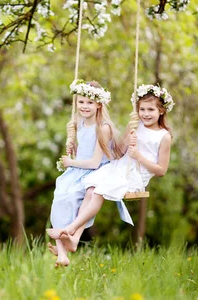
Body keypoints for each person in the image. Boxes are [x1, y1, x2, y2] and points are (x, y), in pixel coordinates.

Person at [53, 84, 174, 251]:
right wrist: (128, 133)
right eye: (142, 109)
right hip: (119, 166)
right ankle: (74, 240)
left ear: (161, 111)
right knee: (89, 188)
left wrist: (138, 156)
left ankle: (71, 228)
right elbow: (119, 151)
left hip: (136, 173)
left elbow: (161, 170)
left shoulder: (164, 136)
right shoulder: (134, 126)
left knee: (97, 192)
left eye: (150, 110)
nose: (145, 114)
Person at [47, 79, 124, 267]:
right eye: (81, 102)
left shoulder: (103, 127)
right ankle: (62, 254)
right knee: (60, 196)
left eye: (89, 102)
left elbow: (95, 162)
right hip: (78, 170)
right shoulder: (77, 124)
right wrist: (71, 144)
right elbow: (81, 148)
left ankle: (71, 238)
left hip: (95, 171)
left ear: (99, 104)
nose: (84, 106)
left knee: (73, 196)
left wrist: (70, 162)